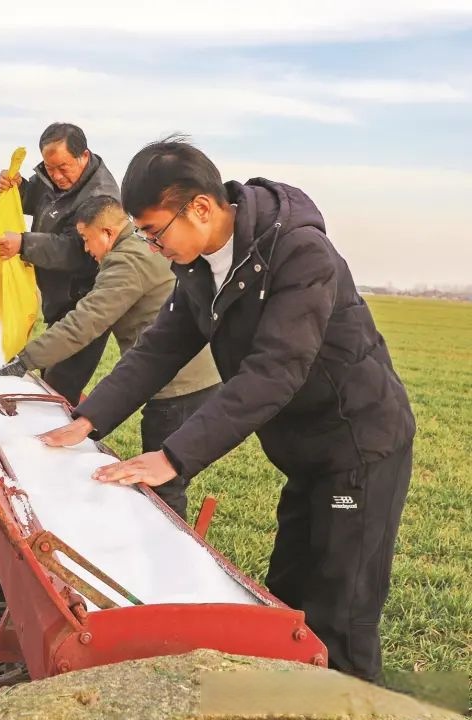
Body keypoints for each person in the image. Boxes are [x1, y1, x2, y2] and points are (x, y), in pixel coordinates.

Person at [38, 136, 415, 683]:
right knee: (287, 602)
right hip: (305, 452)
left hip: (358, 445)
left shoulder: (300, 253)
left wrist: (172, 457)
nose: (152, 247)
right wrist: (88, 419)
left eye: (154, 232)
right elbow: (161, 347)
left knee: (342, 614)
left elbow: (274, 371)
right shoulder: (199, 266)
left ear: (200, 207)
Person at [0, 194, 220, 520]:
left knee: (163, 484)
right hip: (186, 372)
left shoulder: (127, 262)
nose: (86, 249)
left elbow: (85, 322)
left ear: (107, 233)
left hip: (181, 384)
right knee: (160, 476)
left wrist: (24, 361)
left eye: (85, 238)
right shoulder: (138, 248)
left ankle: (167, 540)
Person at [0, 122, 120, 404]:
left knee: (57, 387)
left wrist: (24, 244)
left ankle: (78, 426)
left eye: (63, 167)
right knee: (51, 381)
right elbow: (38, 201)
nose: (57, 176)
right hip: (57, 303)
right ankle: (77, 420)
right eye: (50, 169)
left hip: (84, 305)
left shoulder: (101, 197)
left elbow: (77, 250)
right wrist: (17, 187)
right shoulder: (52, 176)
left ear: (83, 156)